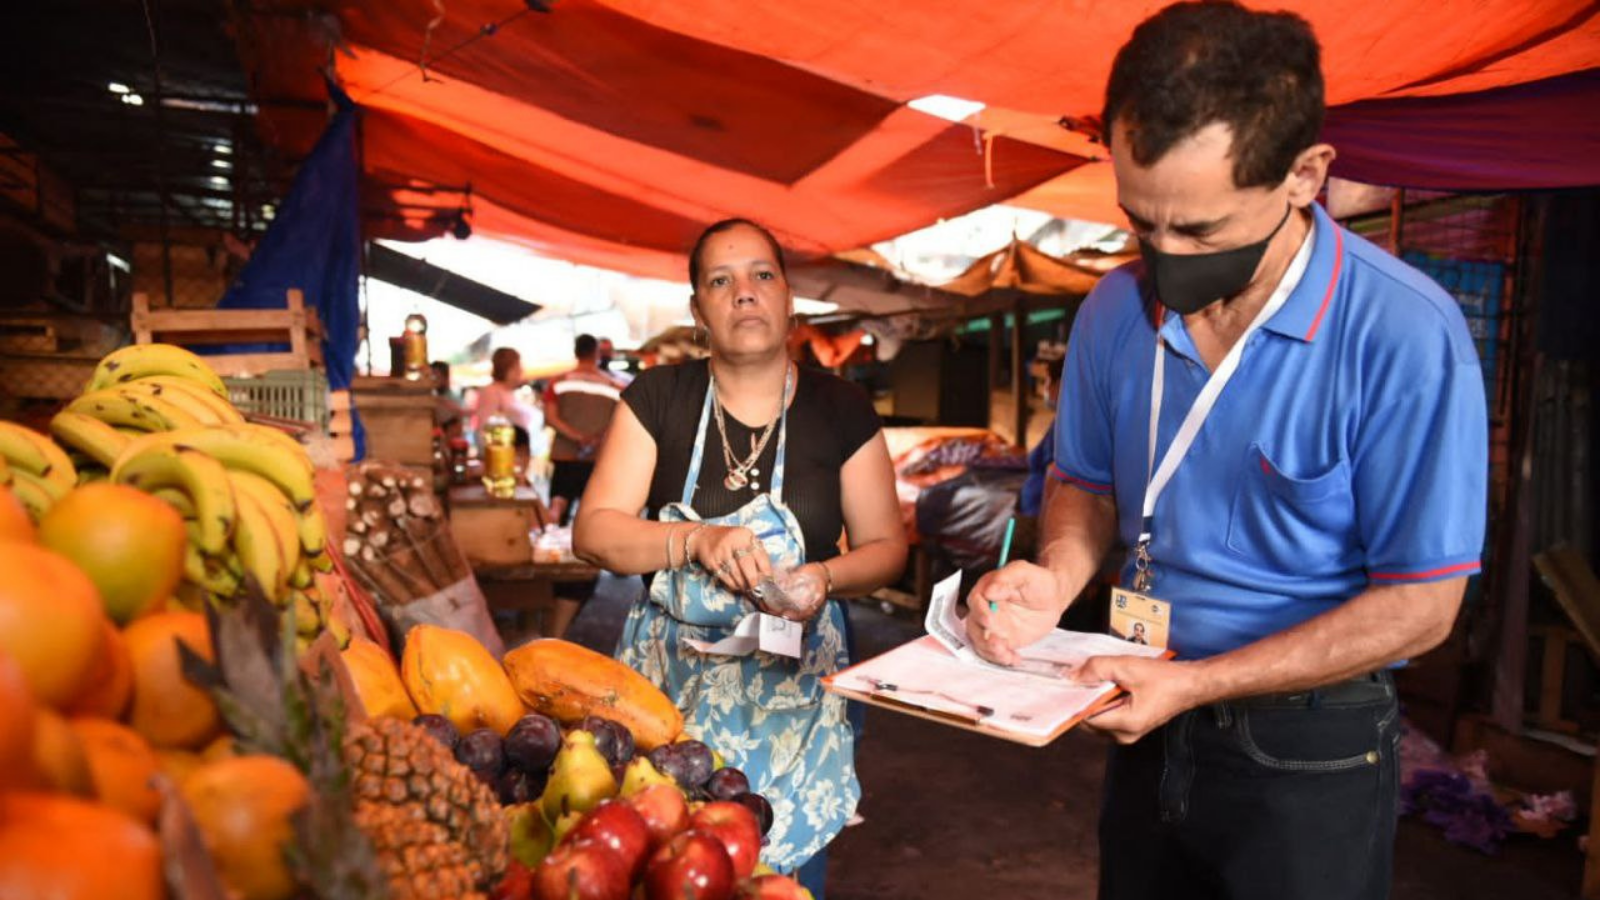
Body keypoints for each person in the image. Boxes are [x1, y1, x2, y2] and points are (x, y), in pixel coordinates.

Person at [965, 5, 1487, 899]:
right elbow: (1084, 485)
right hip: (1139, 712)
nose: (1164, 260)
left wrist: (1202, 683)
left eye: (1201, 233)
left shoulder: (1403, 333)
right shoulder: (1110, 313)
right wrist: (1054, 577)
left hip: (1306, 749)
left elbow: (1423, 606)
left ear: (1305, 176)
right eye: (1141, 222)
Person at [574, 219, 907, 897]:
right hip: (669, 688)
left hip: (800, 689)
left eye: (762, 276)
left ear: (789, 300)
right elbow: (594, 532)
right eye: (720, 282)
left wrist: (825, 575)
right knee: (667, 866)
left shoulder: (839, 407)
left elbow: (887, 548)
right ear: (699, 311)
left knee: (780, 878)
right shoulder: (658, 398)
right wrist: (694, 540)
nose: (744, 294)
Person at [542, 334, 621, 525]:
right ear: (597, 353)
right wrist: (595, 439)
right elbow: (619, 423)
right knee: (594, 516)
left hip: (565, 457)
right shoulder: (615, 386)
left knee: (558, 509)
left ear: (576, 352)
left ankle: (553, 551)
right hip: (597, 458)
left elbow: (550, 418)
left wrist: (578, 437)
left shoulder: (558, 382)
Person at [473, 347, 541, 480]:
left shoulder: (508, 392)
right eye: (517, 367)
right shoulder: (492, 391)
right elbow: (483, 430)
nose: (521, 371)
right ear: (507, 369)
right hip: (501, 463)